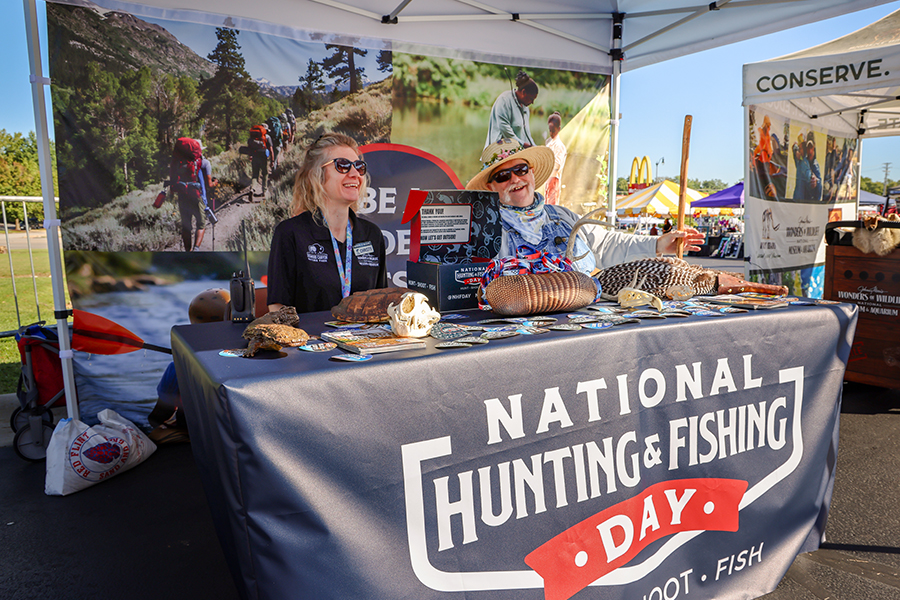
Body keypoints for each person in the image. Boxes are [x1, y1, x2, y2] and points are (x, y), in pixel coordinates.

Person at [466, 139, 704, 273]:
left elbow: (607, 244)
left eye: (520, 170)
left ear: (532, 172)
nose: (515, 180)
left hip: (581, 329)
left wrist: (657, 244)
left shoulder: (563, 217)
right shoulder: (482, 232)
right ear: (490, 187)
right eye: (503, 176)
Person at [266, 133, 387, 313]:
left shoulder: (372, 234)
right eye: (343, 166)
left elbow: (381, 303)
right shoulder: (291, 233)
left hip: (363, 340)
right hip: (311, 340)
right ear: (318, 175)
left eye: (359, 167)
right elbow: (278, 307)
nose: (355, 174)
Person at [148, 287, 230, 444]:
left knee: (156, 433)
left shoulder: (177, 367)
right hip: (234, 431)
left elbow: (158, 417)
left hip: (198, 433)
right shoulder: (248, 356)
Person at [169, 137, 213, 252]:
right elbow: (209, 184)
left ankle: (187, 251)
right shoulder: (204, 163)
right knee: (201, 224)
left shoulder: (179, 161)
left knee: (186, 225)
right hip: (197, 196)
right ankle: (196, 249)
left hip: (183, 195)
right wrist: (215, 182)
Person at [484, 70, 538, 149]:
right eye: (531, 99)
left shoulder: (525, 108)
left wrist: (535, 148)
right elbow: (506, 131)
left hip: (516, 152)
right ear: (523, 92)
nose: (532, 102)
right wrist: (523, 144)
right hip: (499, 151)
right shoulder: (504, 101)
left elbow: (527, 134)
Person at [545, 111, 567, 205]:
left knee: (552, 206)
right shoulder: (549, 142)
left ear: (559, 129)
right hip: (547, 178)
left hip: (554, 178)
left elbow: (557, 166)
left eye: (553, 131)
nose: (551, 133)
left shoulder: (559, 146)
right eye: (549, 130)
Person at [248, 123, 274, 200]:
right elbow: (271, 150)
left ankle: (252, 189)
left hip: (255, 157)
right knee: (265, 174)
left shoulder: (252, 137)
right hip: (264, 158)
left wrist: (250, 156)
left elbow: (250, 148)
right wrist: (272, 160)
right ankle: (264, 191)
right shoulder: (267, 137)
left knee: (255, 175)